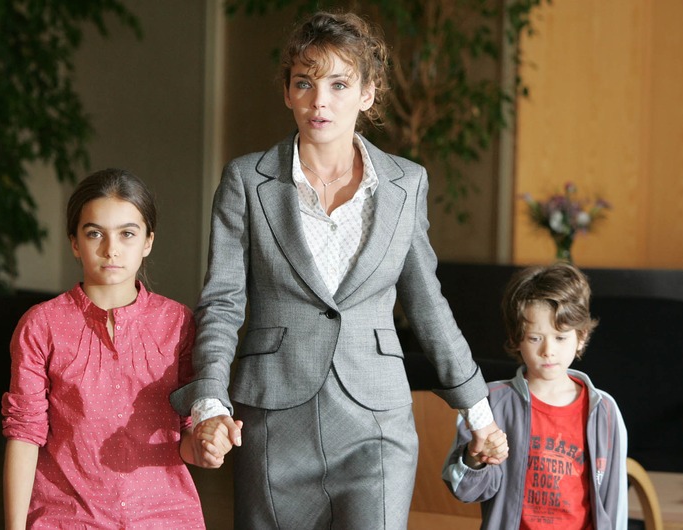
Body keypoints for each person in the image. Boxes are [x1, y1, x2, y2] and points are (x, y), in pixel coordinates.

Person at [170, 11, 507, 529]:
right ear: (287, 92)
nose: (319, 101)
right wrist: (210, 402)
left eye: (339, 84)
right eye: (304, 83)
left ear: (368, 93)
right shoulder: (246, 180)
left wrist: (477, 411)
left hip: (376, 422)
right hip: (274, 416)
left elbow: (427, 305)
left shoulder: (405, 184)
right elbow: (222, 302)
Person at [1, 168, 233, 529]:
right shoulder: (41, 325)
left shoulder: (178, 323)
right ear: (75, 243)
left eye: (127, 233)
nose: (111, 249)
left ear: (148, 242)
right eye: (95, 233)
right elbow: (24, 434)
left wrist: (206, 448)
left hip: (164, 518)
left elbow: (185, 437)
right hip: (67, 518)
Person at [443, 262, 628, 529]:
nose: (548, 351)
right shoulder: (488, 404)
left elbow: (614, 501)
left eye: (560, 337)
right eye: (535, 338)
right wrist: (475, 458)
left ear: (581, 337)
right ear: (516, 338)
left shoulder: (604, 411)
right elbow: (464, 490)